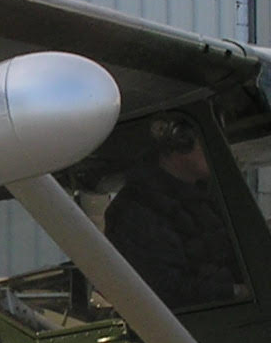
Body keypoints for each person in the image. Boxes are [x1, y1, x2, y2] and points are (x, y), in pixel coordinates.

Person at [103, 115, 246, 309]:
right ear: (180, 141)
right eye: (207, 139)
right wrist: (234, 292)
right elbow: (165, 290)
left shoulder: (206, 196)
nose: (220, 149)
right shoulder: (135, 210)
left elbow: (247, 246)